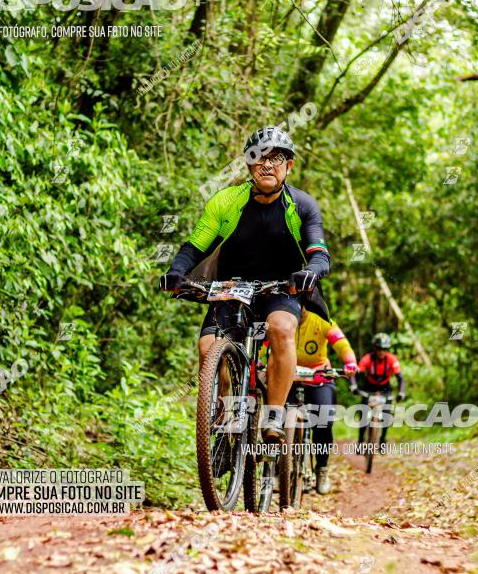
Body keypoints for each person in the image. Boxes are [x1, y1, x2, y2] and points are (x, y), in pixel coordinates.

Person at [159, 126, 330, 446]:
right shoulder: (225, 201)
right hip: (230, 287)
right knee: (208, 347)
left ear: (289, 166)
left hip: (281, 288)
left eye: (276, 158)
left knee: (281, 327)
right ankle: (225, 412)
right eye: (258, 157)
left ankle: (274, 415)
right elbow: (195, 248)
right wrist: (175, 271)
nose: (267, 164)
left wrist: (312, 271)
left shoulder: (303, 205)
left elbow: (319, 253)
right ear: (248, 164)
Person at [261, 308, 358, 494]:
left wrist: (350, 362)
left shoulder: (321, 319)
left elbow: (341, 343)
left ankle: (321, 468)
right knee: (274, 419)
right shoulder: (279, 318)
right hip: (287, 377)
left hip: (318, 376)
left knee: (324, 423)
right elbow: (264, 344)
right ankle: (273, 472)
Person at [351, 333, 405, 452]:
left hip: (385, 388)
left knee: (387, 413)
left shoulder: (391, 359)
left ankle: (383, 439)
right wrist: (354, 386)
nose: (381, 352)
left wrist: (401, 392)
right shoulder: (368, 358)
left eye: (384, 349)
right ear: (374, 348)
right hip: (369, 387)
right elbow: (355, 372)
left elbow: (400, 378)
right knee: (364, 412)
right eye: (379, 349)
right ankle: (360, 440)